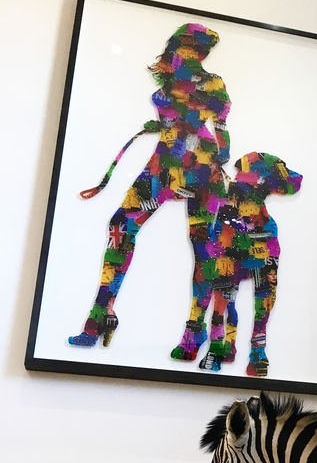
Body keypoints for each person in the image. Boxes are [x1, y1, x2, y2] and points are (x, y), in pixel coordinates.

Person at [69, 23, 231, 350]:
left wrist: (208, 158)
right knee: (121, 226)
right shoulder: (173, 79)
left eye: (195, 49)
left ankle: (193, 328)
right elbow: (186, 120)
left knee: (202, 245)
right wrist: (163, 125)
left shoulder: (211, 82)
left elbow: (221, 132)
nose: (190, 54)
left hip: (196, 168)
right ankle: (102, 313)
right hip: (166, 164)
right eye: (186, 46)